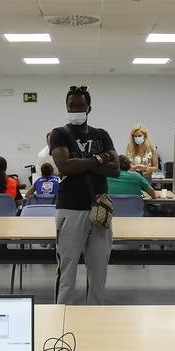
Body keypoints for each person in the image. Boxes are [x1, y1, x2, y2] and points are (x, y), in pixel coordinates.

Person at [50, 85, 118, 305]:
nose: (76, 109)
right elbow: (64, 166)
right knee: (67, 268)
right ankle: (62, 313)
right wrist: (99, 159)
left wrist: (79, 163)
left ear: (89, 107)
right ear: (66, 107)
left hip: (99, 209)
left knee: (99, 270)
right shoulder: (59, 134)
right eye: (71, 106)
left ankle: (94, 314)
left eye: (80, 105)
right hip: (70, 210)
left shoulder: (102, 134)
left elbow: (115, 168)